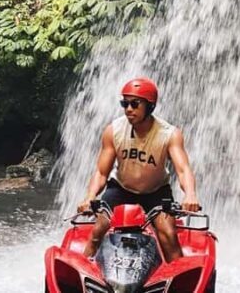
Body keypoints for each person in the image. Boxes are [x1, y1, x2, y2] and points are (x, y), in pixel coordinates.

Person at [77, 77, 200, 262]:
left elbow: (183, 170)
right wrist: (90, 196)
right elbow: (101, 172)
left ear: (150, 106)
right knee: (98, 231)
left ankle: (179, 274)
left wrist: (190, 195)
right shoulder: (113, 131)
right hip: (121, 189)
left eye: (135, 104)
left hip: (156, 192)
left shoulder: (169, 134)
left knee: (168, 234)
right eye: (124, 103)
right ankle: (82, 271)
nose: (128, 109)